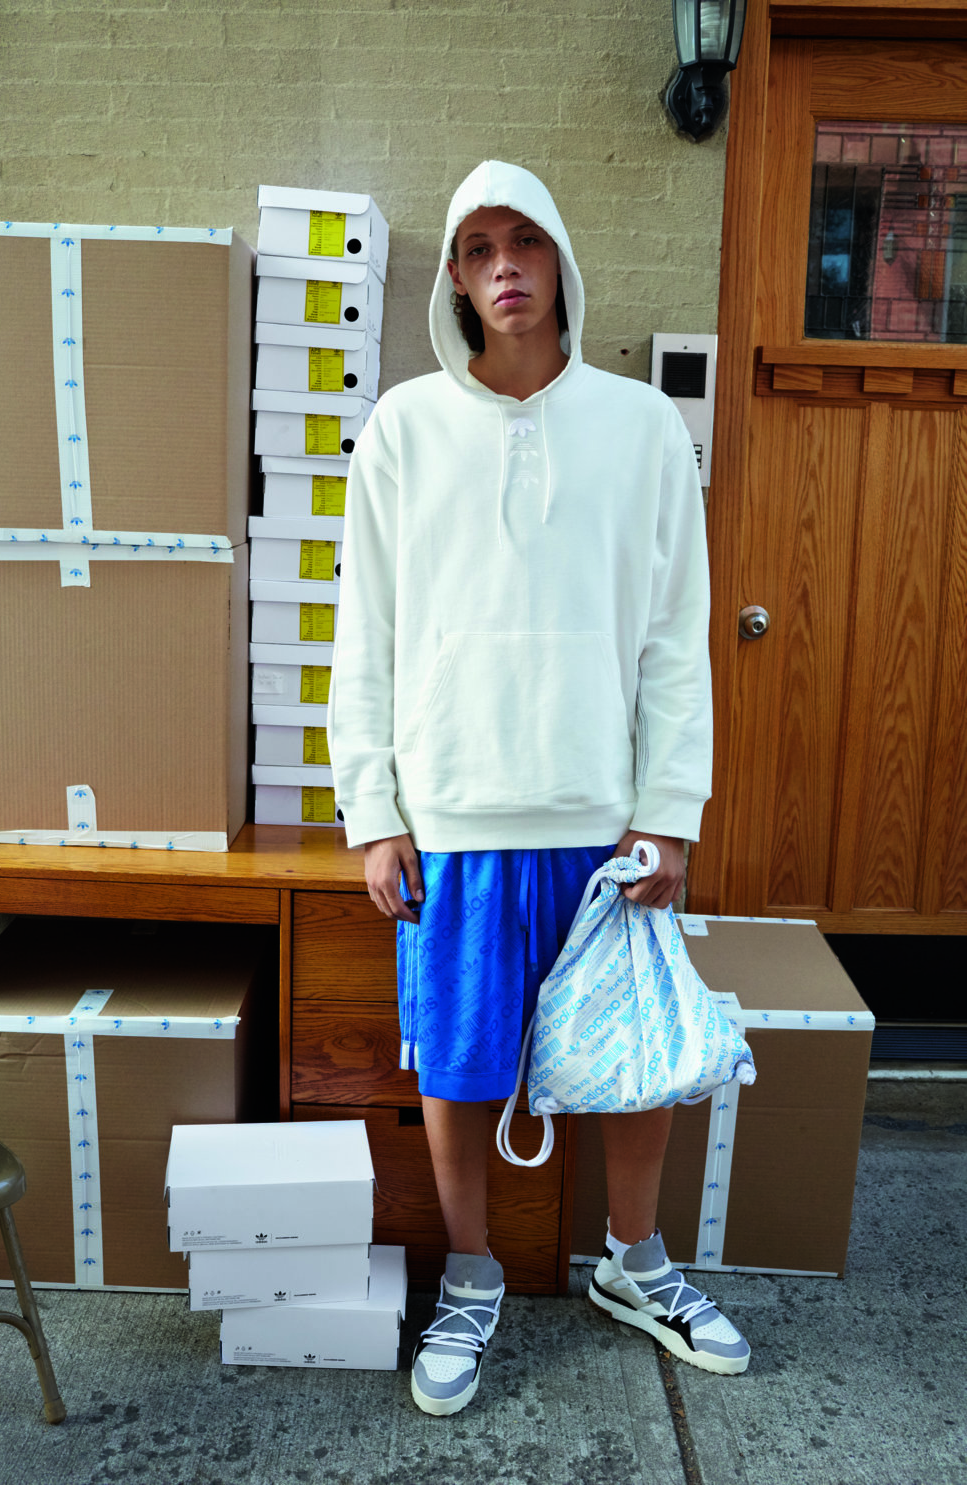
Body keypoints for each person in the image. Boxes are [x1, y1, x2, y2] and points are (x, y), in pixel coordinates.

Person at [328, 159, 750, 1417]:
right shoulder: (403, 428)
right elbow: (366, 634)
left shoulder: (640, 428)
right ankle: (471, 1277)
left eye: (524, 241)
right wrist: (374, 814)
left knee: (637, 1060)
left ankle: (634, 1261)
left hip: (603, 820)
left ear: (560, 256)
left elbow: (674, 634)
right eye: (478, 249)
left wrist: (669, 812)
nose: (503, 266)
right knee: (459, 1064)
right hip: (454, 816)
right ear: (457, 281)